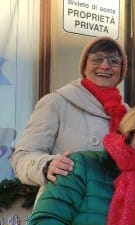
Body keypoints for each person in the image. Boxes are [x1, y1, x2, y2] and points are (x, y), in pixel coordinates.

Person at [12, 36, 128, 190]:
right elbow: (21, 158)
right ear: (84, 68)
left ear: (121, 70)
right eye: (97, 59)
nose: (105, 66)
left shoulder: (128, 114)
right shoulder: (56, 102)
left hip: (113, 201)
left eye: (114, 61)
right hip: (67, 200)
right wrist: (47, 165)